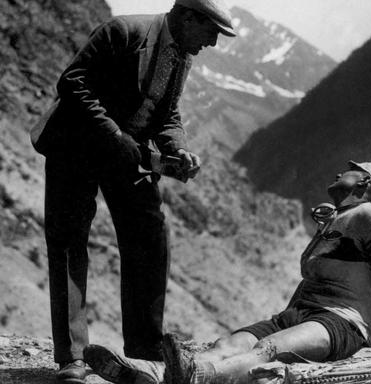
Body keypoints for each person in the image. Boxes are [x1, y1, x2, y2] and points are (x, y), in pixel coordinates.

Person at [31, 0, 237, 382]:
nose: (213, 43)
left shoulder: (182, 56)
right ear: (188, 17)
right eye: (211, 32)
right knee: (68, 243)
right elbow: (73, 83)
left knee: (150, 236)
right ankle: (72, 356)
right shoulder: (123, 31)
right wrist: (115, 137)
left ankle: (144, 350)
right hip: (74, 147)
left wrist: (177, 147)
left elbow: (168, 113)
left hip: (127, 157)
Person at [82, 161, 371, 384]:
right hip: (304, 313)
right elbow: (310, 281)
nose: (340, 172)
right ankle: (153, 373)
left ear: (365, 183)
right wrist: (285, 316)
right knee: (229, 343)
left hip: (341, 323)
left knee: (267, 350)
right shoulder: (335, 220)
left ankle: (195, 377)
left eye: (350, 170)